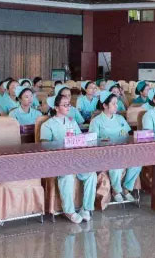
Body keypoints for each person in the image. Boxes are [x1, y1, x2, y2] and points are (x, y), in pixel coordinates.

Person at [40, 93, 96, 224]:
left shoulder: (72, 121)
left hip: (74, 159)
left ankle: (86, 208)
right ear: (56, 107)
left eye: (69, 104)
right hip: (58, 160)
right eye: (64, 105)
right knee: (67, 175)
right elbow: (45, 146)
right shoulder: (47, 125)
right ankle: (69, 211)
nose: (68, 107)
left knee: (91, 174)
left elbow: (80, 139)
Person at [89, 90, 140, 203]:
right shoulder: (96, 121)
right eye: (113, 103)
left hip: (122, 151)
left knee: (137, 162)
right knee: (116, 165)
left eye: (117, 103)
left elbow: (127, 135)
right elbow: (92, 142)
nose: (117, 106)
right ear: (105, 105)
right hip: (105, 153)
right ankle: (116, 190)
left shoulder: (120, 118)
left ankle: (126, 188)